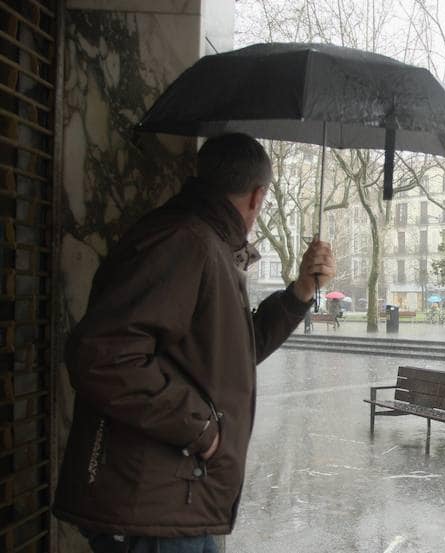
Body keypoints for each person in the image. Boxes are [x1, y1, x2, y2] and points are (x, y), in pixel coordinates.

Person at [53, 134, 336, 553]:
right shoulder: (186, 242)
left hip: (179, 502)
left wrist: (299, 293)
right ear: (258, 196)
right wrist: (202, 430)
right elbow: (102, 355)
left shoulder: (209, 245)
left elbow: (230, 356)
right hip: (154, 511)